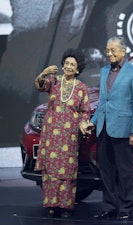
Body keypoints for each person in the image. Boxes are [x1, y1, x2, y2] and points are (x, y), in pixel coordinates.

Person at [81, 36, 133, 221]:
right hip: (104, 128)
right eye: (107, 50)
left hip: (123, 129)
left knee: (125, 172)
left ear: (123, 51)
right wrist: (93, 120)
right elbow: (102, 101)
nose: (109, 53)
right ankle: (109, 207)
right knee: (106, 171)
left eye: (113, 50)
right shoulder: (104, 71)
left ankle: (125, 208)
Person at [34, 49, 90, 218]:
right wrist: (43, 73)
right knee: (51, 170)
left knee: (66, 171)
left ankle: (65, 206)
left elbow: (85, 111)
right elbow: (39, 85)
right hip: (51, 133)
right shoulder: (54, 82)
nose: (68, 67)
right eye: (66, 63)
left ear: (78, 68)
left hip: (70, 135)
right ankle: (51, 205)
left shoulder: (81, 88)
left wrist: (83, 123)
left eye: (72, 64)